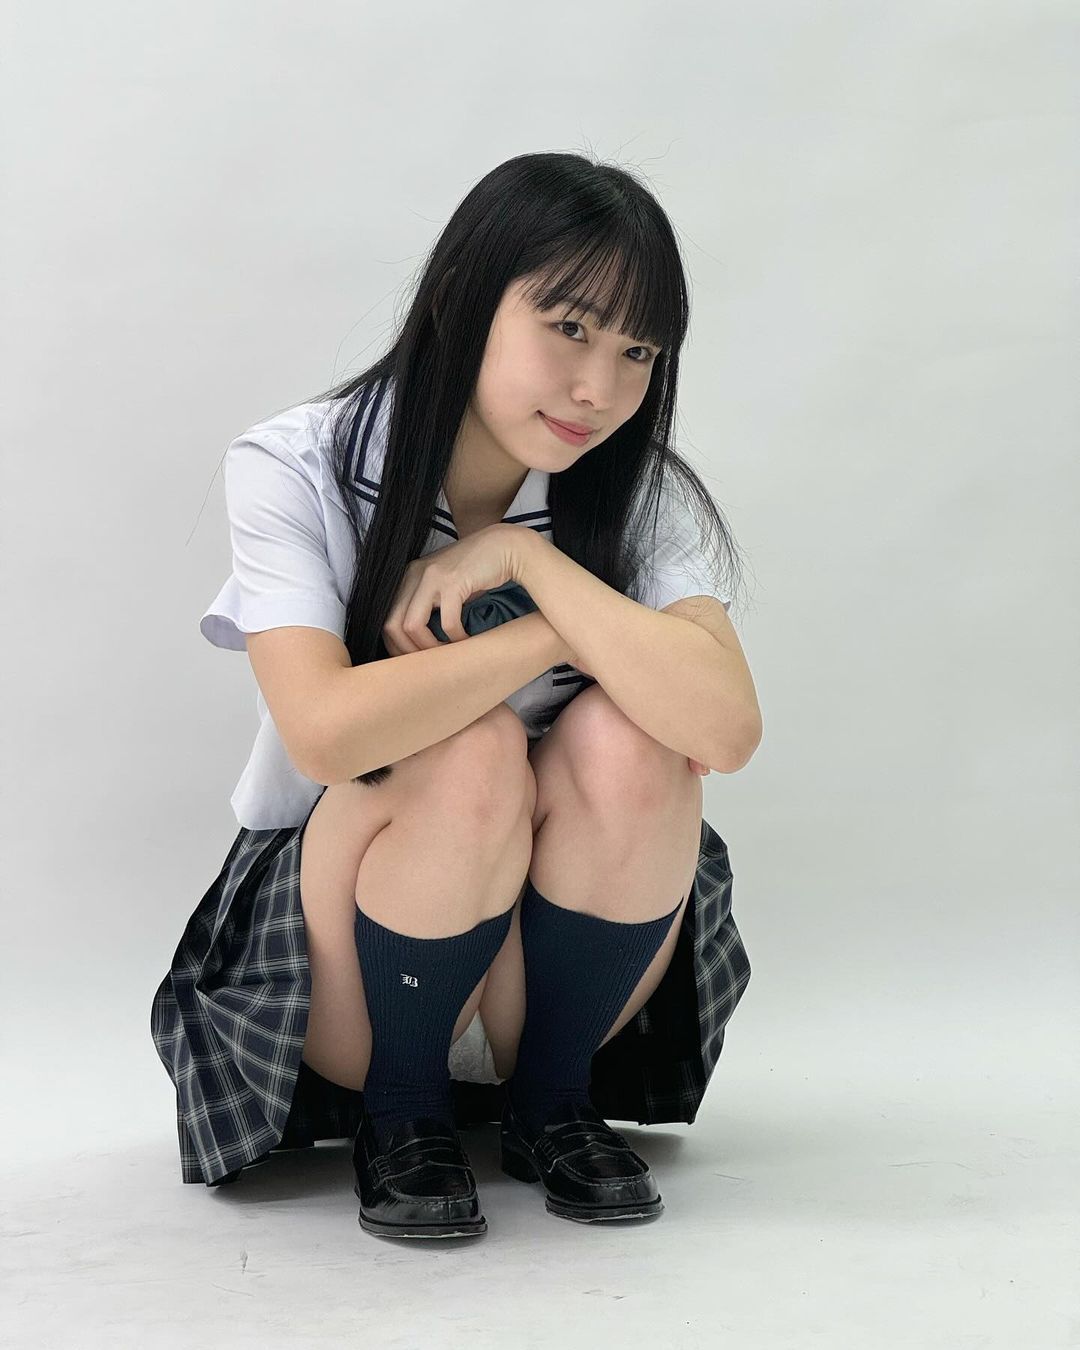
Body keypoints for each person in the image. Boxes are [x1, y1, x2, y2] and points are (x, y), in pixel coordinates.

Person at [149, 150, 760, 1240]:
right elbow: (327, 735)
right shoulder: (299, 462)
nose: (600, 389)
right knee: (466, 745)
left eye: (637, 351)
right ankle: (403, 1111)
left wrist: (532, 563)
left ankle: (554, 1104)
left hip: (561, 959)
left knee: (635, 738)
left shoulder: (634, 489)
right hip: (352, 950)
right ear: (462, 301)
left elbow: (726, 728)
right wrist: (550, 632)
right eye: (568, 327)